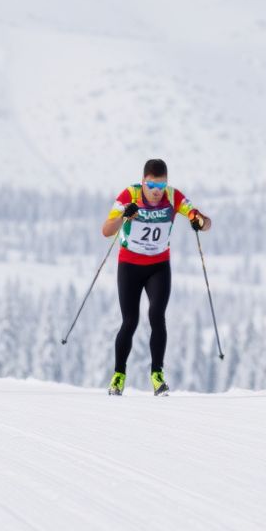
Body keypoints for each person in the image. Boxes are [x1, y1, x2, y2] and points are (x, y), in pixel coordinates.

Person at [101, 158, 211, 396]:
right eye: (151, 186)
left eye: (161, 187)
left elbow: (205, 222)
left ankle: (157, 375)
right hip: (129, 265)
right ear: (143, 182)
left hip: (158, 266)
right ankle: (119, 375)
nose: (155, 192)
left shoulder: (172, 197)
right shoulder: (130, 194)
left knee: (157, 315)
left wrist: (197, 221)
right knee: (130, 321)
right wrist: (124, 216)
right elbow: (107, 230)